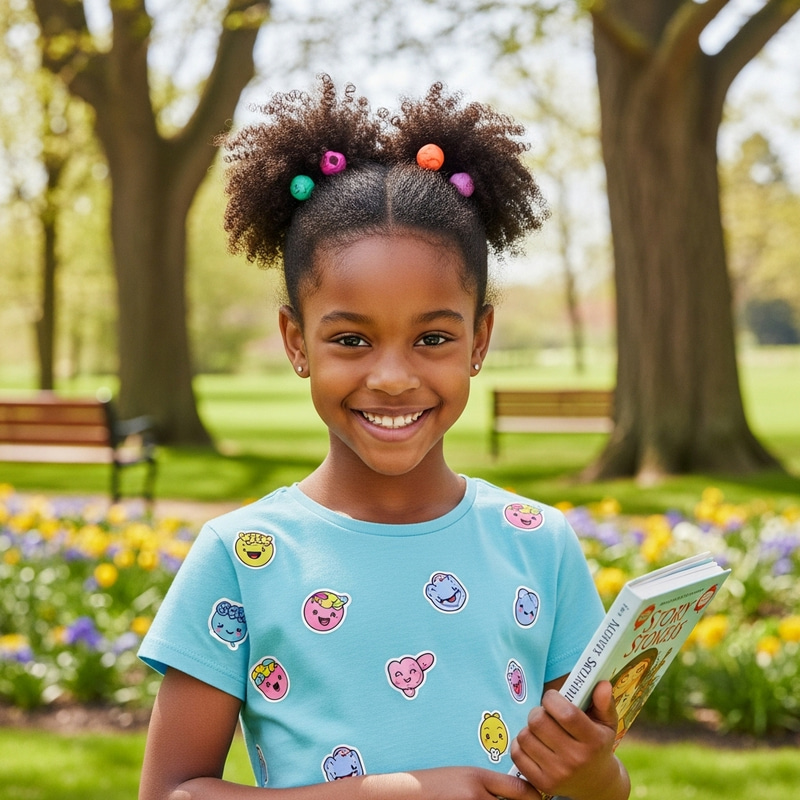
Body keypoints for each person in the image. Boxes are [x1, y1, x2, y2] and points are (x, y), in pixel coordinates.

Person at [138, 75, 631, 800]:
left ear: (480, 340)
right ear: (296, 341)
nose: (394, 377)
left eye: (433, 336)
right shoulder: (242, 557)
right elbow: (173, 793)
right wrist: (402, 793)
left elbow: (596, 787)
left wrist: (593, 775)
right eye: (351, 339)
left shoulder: (539, 543)